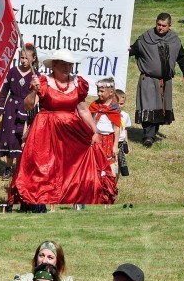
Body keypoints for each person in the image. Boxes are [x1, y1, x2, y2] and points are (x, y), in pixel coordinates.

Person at [9, 48, 116, 204]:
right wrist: (34, 91)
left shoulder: (77, 83)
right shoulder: (44, 82)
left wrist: (95, 131)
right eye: (63, 64)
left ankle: (69, 197)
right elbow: (28, 106)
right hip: (46, 131)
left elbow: (83, 110)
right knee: (45, 169)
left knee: (71, 166)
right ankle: (44, 198)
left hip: (71, 131)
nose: (67, 68)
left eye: (69, 65)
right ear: (54, 65)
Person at [129, 13, 184, 147]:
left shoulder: (174, 39)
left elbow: (181, 57)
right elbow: (133, 49)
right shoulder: (146, 38)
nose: (160, 28)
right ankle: (148, 136)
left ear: (169, 26)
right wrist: (126, 49)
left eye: (164, 25)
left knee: (160, 109)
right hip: (148, 79)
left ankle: (152, 133)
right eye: (158, 24)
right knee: (148, 106)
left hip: (165, 81)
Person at [0, 45, 38, 181]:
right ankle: (8, 167)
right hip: (11, 107)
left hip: (28, 109)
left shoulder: (36, 76)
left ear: (33, 59)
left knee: (23, 139)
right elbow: (4, 91)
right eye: (21, 58)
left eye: (26, 59)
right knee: (10, 137)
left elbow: (40, 95)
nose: (23, 61)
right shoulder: (13, 72)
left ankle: (20, 169)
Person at [89, 77, 122, 177]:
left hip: (108, 139)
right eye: (98, 91)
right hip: (96, 138)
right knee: (94, 162)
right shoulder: (94, 105)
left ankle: (106, 184)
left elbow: (117, 128)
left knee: (107, 164)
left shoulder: (114, 108)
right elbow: (89, 121)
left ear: (111, 92)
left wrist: (115, 145)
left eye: (102, 91)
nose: (99, 94)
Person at [115, 89, 132, 180]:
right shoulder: (109, 115)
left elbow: (124, 130)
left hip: (121, 143)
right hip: (112, 143)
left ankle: (114, 187)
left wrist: (127, 143)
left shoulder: (125, 116)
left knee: (119, 167)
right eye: (117, 103)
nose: (119, 106)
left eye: (121, 104)